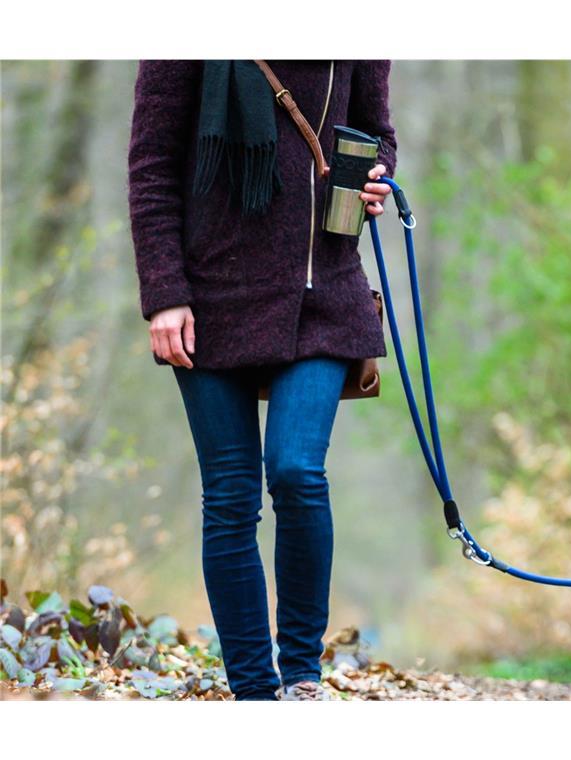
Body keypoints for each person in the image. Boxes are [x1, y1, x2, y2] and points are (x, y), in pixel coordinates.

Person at [127, 60, 397, 701]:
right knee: (230, 495)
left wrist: (378, 179)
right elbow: (151, 167)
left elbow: (376, 133)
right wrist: (164, 293)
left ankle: (302, 676)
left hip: (321, 294)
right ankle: (254, 692)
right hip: (209, 298)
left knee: (298, 472)